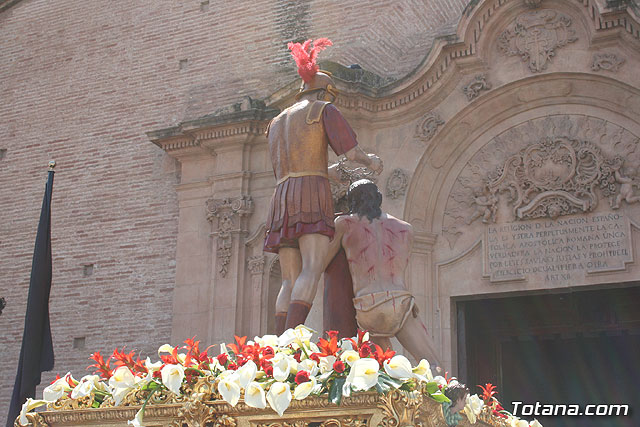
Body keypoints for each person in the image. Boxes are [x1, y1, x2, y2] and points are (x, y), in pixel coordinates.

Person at [264, 39, 382, 334]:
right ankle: (290, 340)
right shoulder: (323, 110)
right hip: (311, 195)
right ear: (326, 92)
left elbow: (295, 166)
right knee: (312, 267)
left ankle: (279, 341)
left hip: (281, 195)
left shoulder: (276, 122)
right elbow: (351, 152)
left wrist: (330, 173)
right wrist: (371, 162)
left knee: (288, 278)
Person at [324, 179, 441, 367]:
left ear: (351, 202)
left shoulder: (344, 223)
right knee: (434, 365)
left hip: (367, 306)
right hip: (399, 302)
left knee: (386, 370)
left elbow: (323, 261)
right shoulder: (406, 228)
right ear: (378, 198)